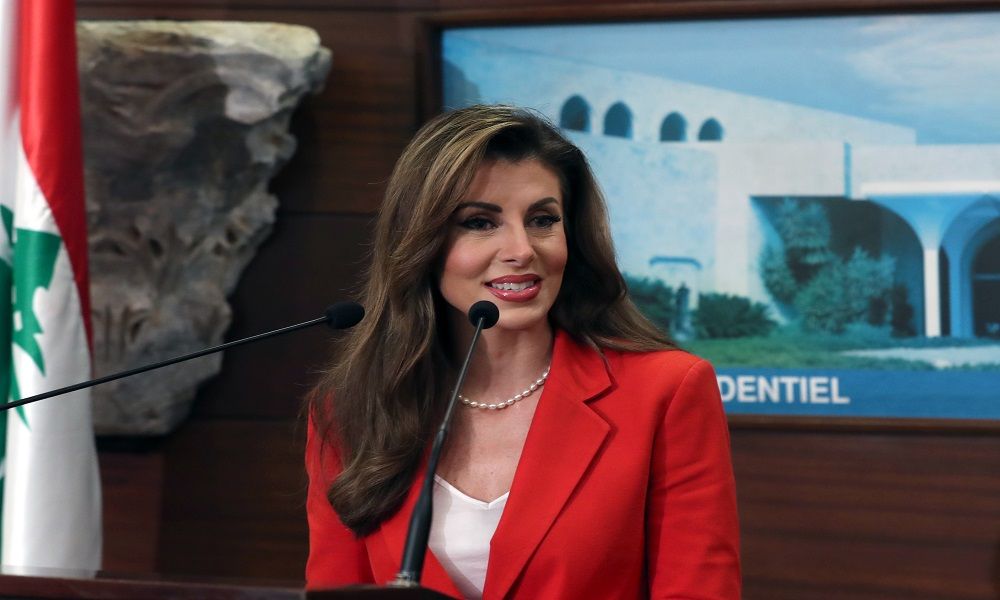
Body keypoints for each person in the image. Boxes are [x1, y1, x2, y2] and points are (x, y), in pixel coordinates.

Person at [305, 105, 740, 599]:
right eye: (479, 222)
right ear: (421, 243)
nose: (522, 249)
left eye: (542, 220)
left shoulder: (666, 390)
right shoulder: (349, 411)